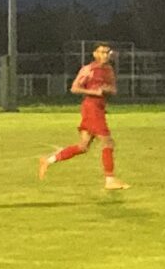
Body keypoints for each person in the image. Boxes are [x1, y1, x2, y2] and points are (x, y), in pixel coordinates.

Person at [39, 43, 128, 191]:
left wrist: (107, 90)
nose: (105, 55)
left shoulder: (109, 70)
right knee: (107, 142)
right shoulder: (88, 69)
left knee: (83, 146)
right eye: (101, 52)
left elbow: (113, 90)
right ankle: (110, 180)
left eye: (107, 52)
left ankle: (48, 160)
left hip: (99, 108)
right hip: (91, 108)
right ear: (95, 54)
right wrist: (94, 92)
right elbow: (74, 88)